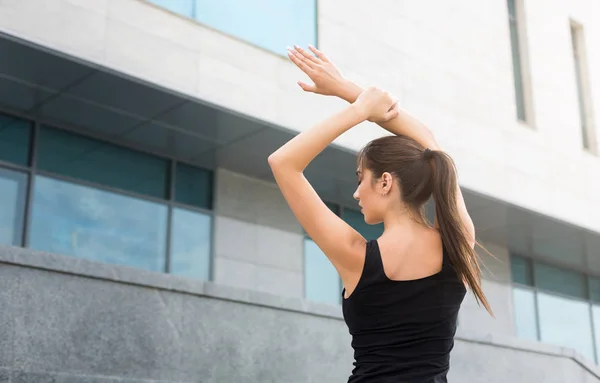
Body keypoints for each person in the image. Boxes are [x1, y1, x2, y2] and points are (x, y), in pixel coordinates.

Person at [268, 45, 493, 383]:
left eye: (361, 179)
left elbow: (283, 163)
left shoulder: (356, 256)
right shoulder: (458, 244)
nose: (356, 192)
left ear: (385, 182)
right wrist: (348, 90)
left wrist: (358, 108)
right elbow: (427, 140)